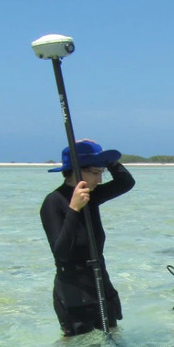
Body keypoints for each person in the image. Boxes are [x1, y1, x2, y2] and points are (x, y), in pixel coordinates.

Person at [40, 139, 135, 336]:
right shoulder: (53, 202)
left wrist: (106, 159)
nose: (100, 180)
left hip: (101, 285)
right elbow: (61, 253)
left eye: (102, 173)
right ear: (76, 170)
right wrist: (74, 209)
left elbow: (126, 182)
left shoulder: (92, 196)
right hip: (74, 293)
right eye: (95, 173)